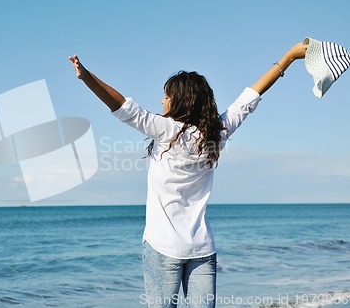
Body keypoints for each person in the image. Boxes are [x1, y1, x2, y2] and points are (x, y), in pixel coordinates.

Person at [69, 43, 307, 308]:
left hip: (162, 247)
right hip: (202, 249)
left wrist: (87, 77)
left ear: (179, 100)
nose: (162, 100)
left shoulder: (164, 130)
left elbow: (123, 106)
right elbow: (249, 98)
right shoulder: (216, 133)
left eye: (166, 95)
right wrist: (288, 58)